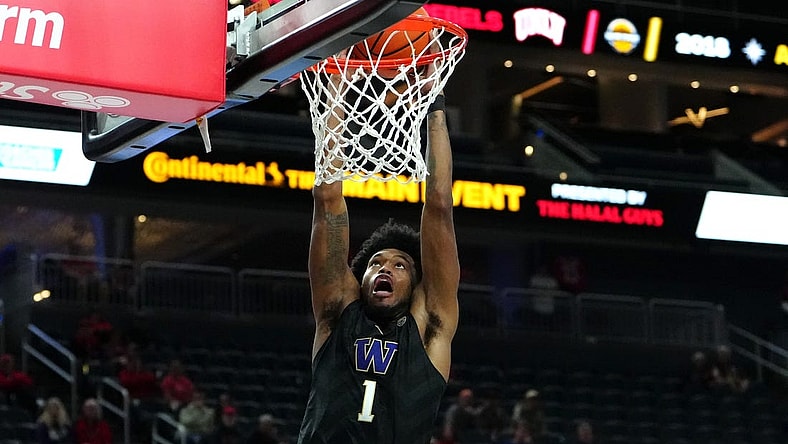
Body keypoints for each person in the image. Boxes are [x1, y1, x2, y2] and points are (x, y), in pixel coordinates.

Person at [296, 69, 461, 443]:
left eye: (399, 265)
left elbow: (439, 205)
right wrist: (334, 92)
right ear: (361, 279)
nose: (384, 268)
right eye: (375, 263)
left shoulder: (431, 325)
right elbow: (327, 201)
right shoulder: (338, 312)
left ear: (416, 283)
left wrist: (434, 105)